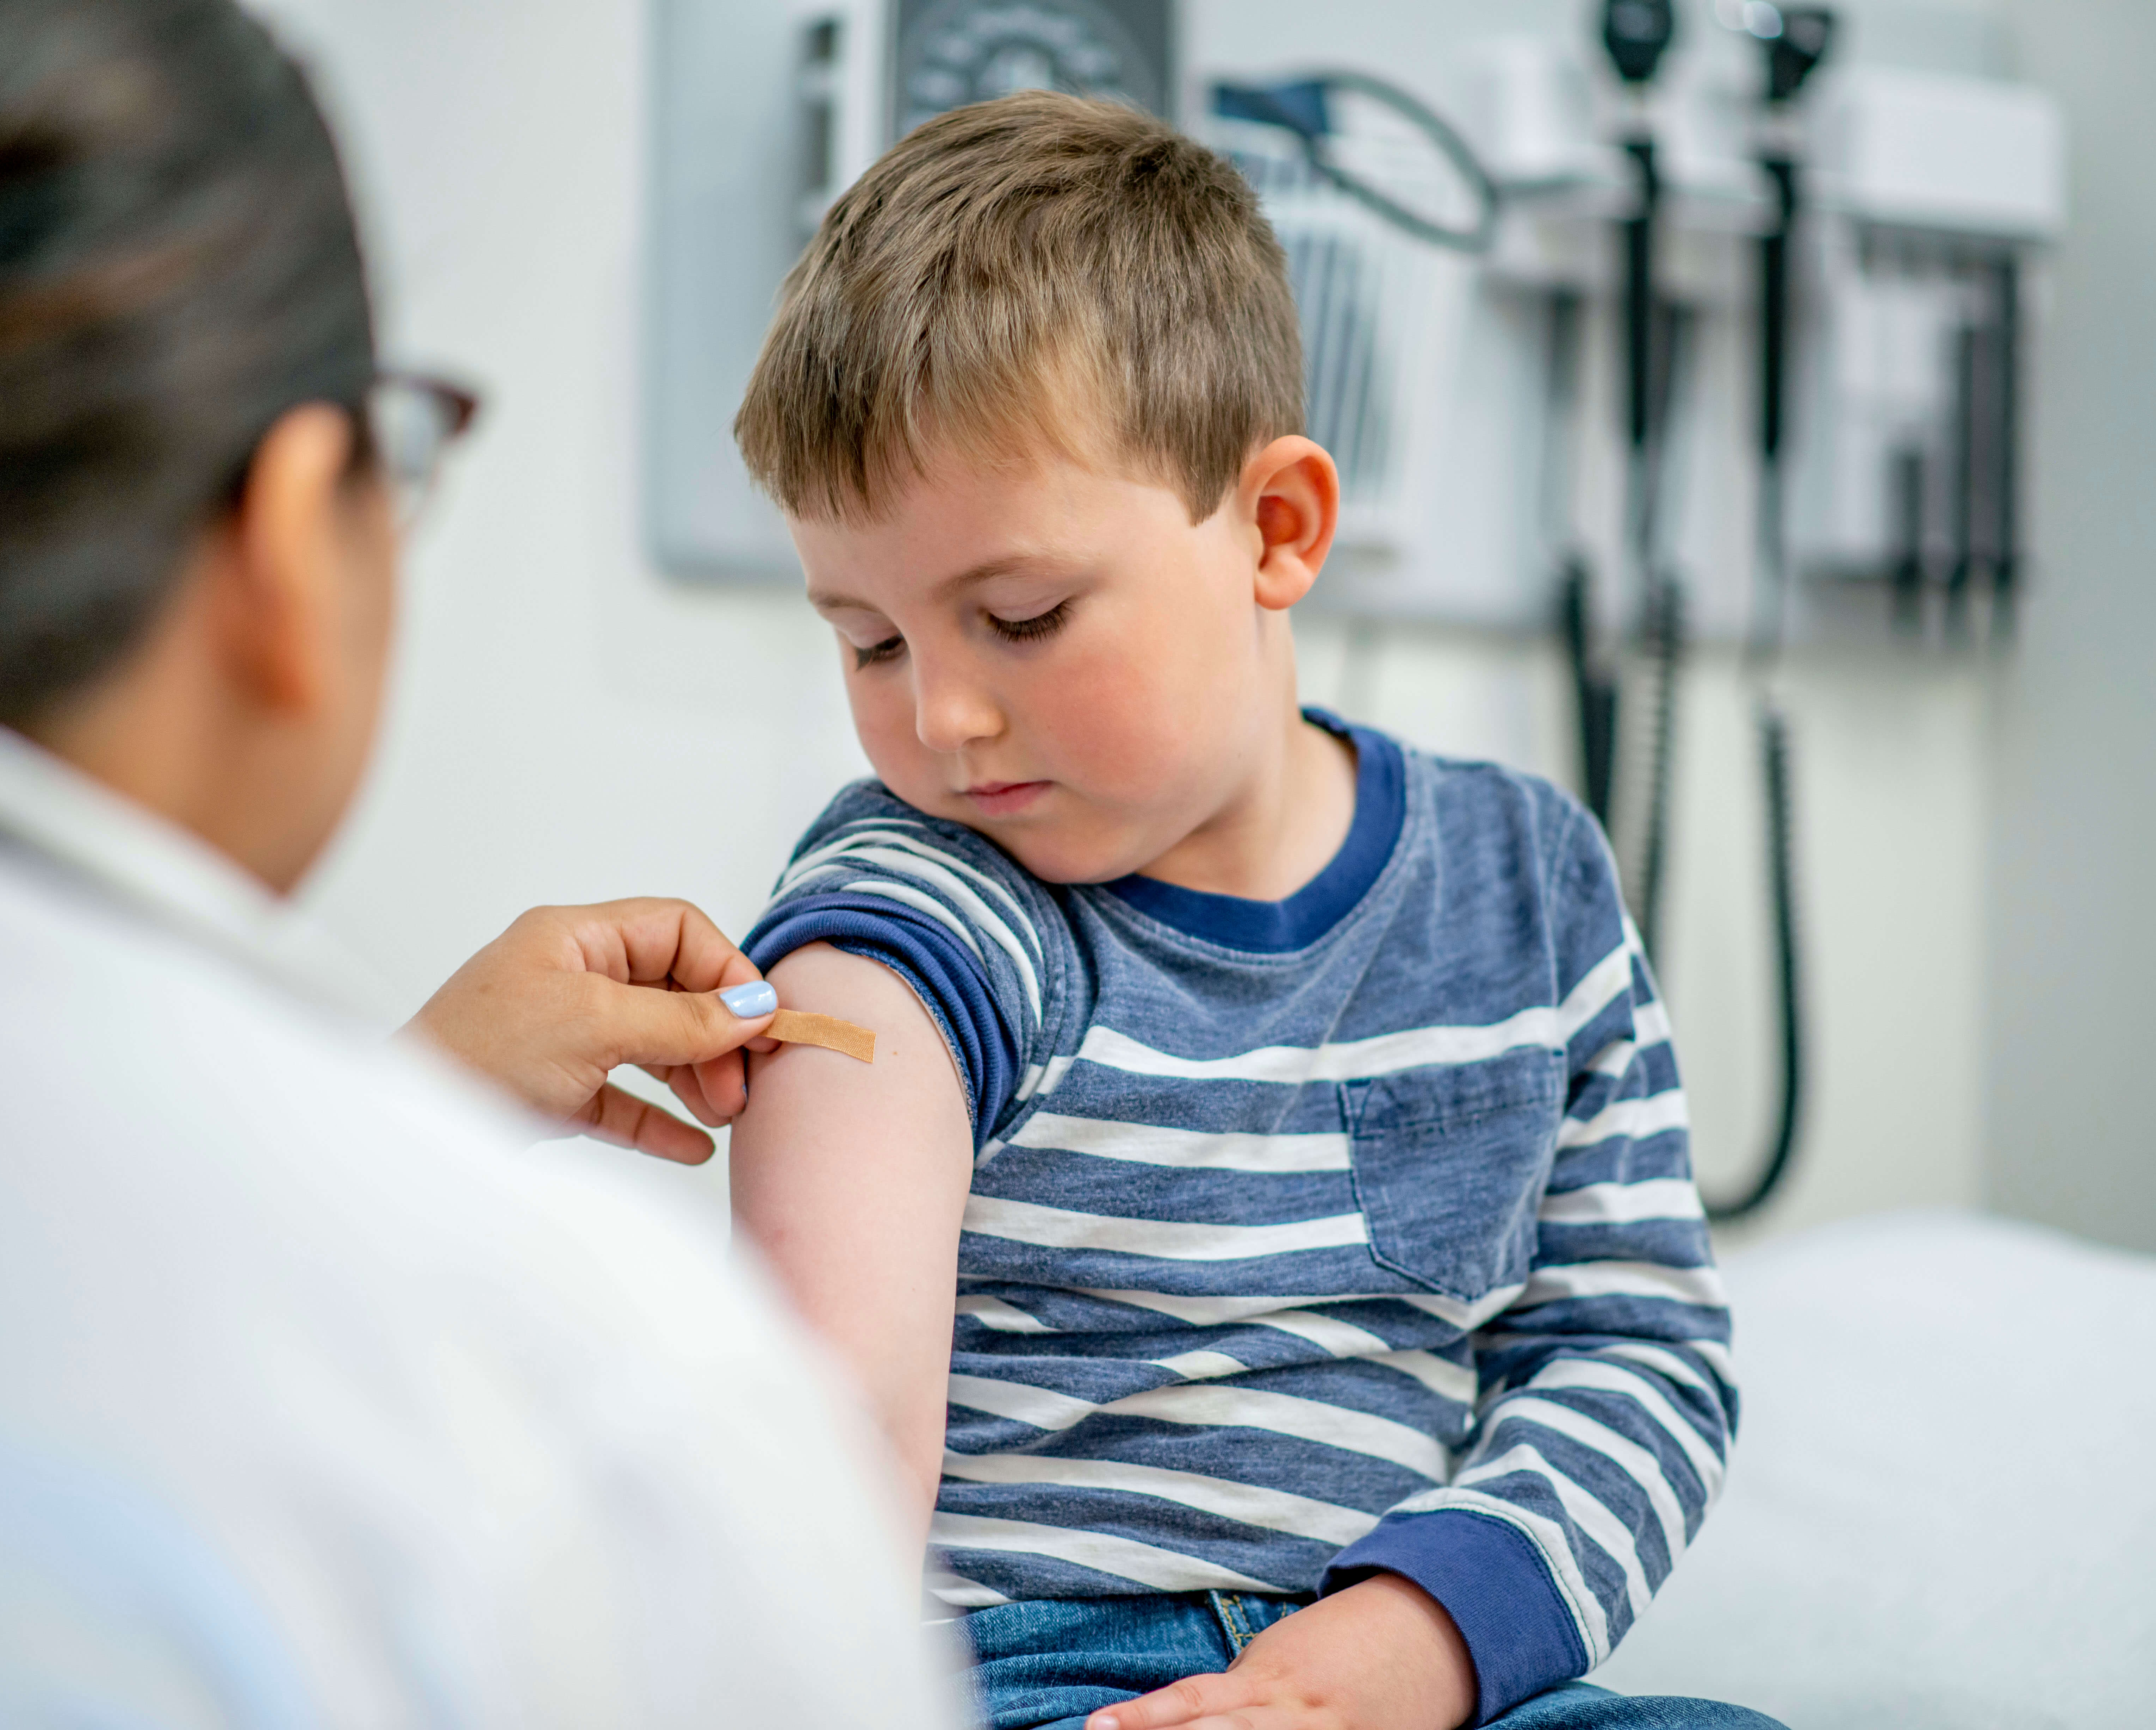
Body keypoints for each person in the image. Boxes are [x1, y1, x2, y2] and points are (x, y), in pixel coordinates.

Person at [0, 2, 954, 1723]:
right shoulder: (569, 1398)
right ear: (295, 527)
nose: (949, 717)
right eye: (868, 639)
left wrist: (407, 1095)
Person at [719, 94, 1778, 1730]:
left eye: (1019, 616)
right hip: (1017, 1678)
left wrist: (1390, 1657)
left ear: (1275, 530)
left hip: (1417, 1669)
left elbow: (1630, 1346)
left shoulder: (1528, 886)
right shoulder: (909, 911)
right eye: (868, 641)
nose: (940, 720)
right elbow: (822, 1457)